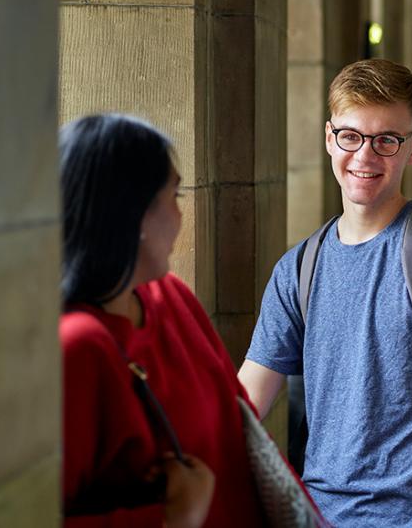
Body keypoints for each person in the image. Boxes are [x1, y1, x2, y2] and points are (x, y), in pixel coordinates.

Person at [239, 59, 412, 527]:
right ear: (328, 138)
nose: (364, 156)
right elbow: (246, 403)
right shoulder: (298, 268)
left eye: (387, 141)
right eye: (351, 136)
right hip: (315, 515)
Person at [59, 114, 267, 527]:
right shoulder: (75, 347)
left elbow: (249, 439)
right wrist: (171, 518)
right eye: (174, 195)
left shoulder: (173, 297)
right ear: (132, 215)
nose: (180, 215)